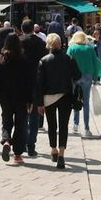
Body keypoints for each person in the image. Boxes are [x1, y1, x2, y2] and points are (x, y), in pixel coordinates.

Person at [35, 33, 79, 170]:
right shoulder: (68, 58)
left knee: (52, 125)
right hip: (65, 95)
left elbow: (39, 84)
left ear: (48, 45)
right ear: (60, 44)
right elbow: (78, 75)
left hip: (49, 97)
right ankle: (61, 154)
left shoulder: (43, 60)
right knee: (64, 125)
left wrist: (39, 103)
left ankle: (53, 149)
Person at [0, 34, 33, 164]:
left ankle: (7, 140)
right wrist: (30, 99)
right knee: (21, 125)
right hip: (21, 97)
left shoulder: (1, 60)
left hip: (5, 96)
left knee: (6, 120)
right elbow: (29, 82)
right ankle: (18, 154)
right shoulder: (24, 61)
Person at [19, 20, 48, 158]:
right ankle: (31, 145)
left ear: (21, 29)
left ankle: (21, 142)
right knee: (34, 116)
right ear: (34, 29)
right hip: (36, 82)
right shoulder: (41, 43)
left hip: (21, 82)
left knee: (21, 115)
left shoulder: (17, 42)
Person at [67, 31, 101, 137]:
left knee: (76, 99)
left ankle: (75, 124)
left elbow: (67, 62)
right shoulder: (90, 49)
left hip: (75, 77)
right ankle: (87, 128)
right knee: (86, 102)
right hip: (88, 76)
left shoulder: (72, 48)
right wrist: (96, 77)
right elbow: (95, 63)